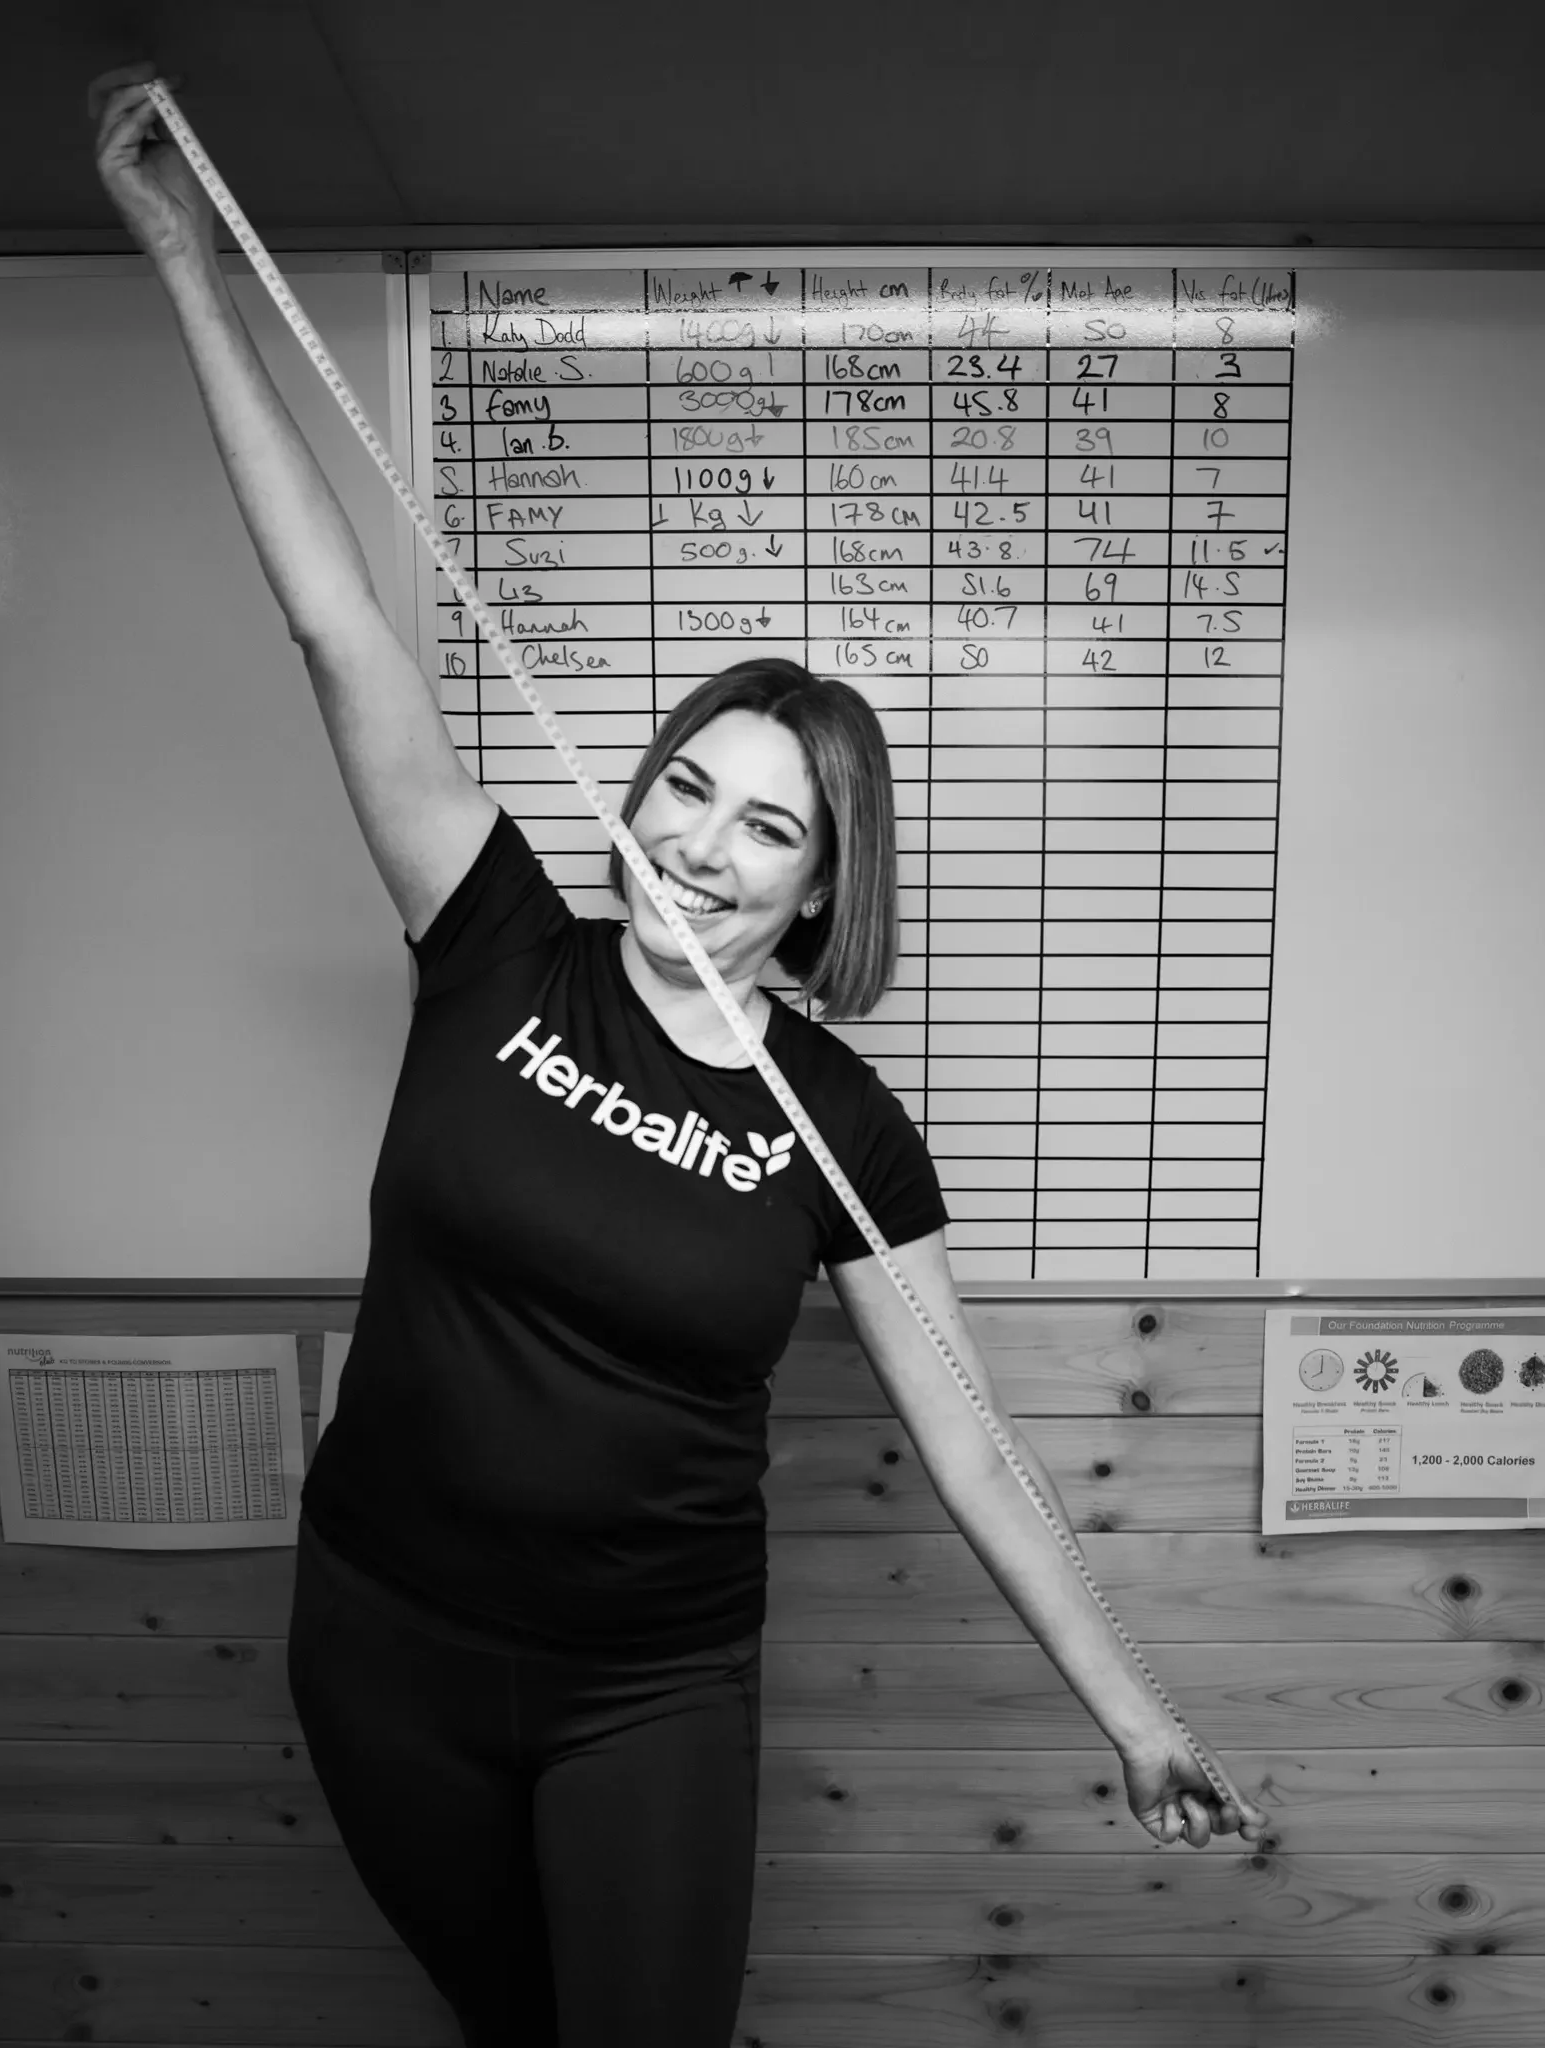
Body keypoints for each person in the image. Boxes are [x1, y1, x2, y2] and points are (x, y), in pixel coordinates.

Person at [91, 64, 1267, 2048]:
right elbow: (335, 631)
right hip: (378, 1639)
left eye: (768, 827)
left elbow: (974, 1446)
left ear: (819, 893)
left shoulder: (844, 1128)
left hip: (645, 1683)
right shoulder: (492, 948)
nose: (701, 845)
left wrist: (1138, 1714)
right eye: (684, 785)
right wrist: (189, 260)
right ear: (629, 793)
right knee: (507, 2022)